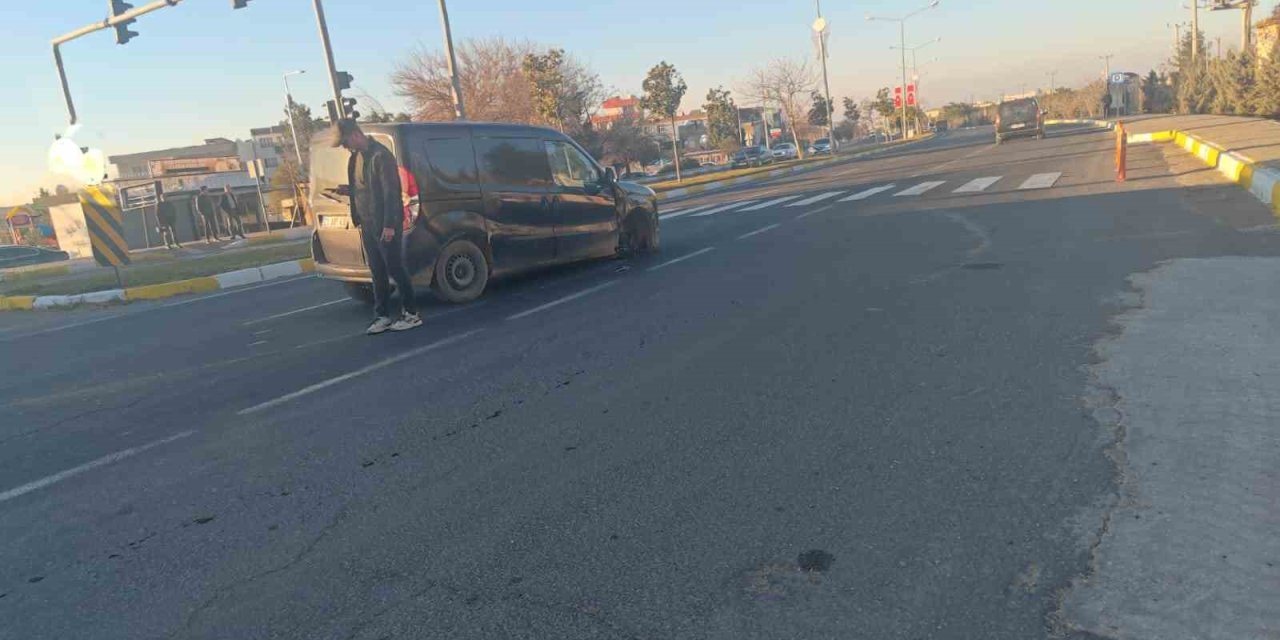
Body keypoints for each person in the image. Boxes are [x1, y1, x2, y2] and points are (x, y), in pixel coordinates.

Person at [333, 118, 421, 334]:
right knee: (377, 271)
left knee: (395, 268)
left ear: (355, 134)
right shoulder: (355, 160)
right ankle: (382, 315)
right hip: (367, 223)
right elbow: (365, 189)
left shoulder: (381, 156)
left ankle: (411, 313)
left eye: (345, 142)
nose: (345, 147)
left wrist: (390, 225)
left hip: (385, 224)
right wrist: (349, 192)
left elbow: (391, 194)